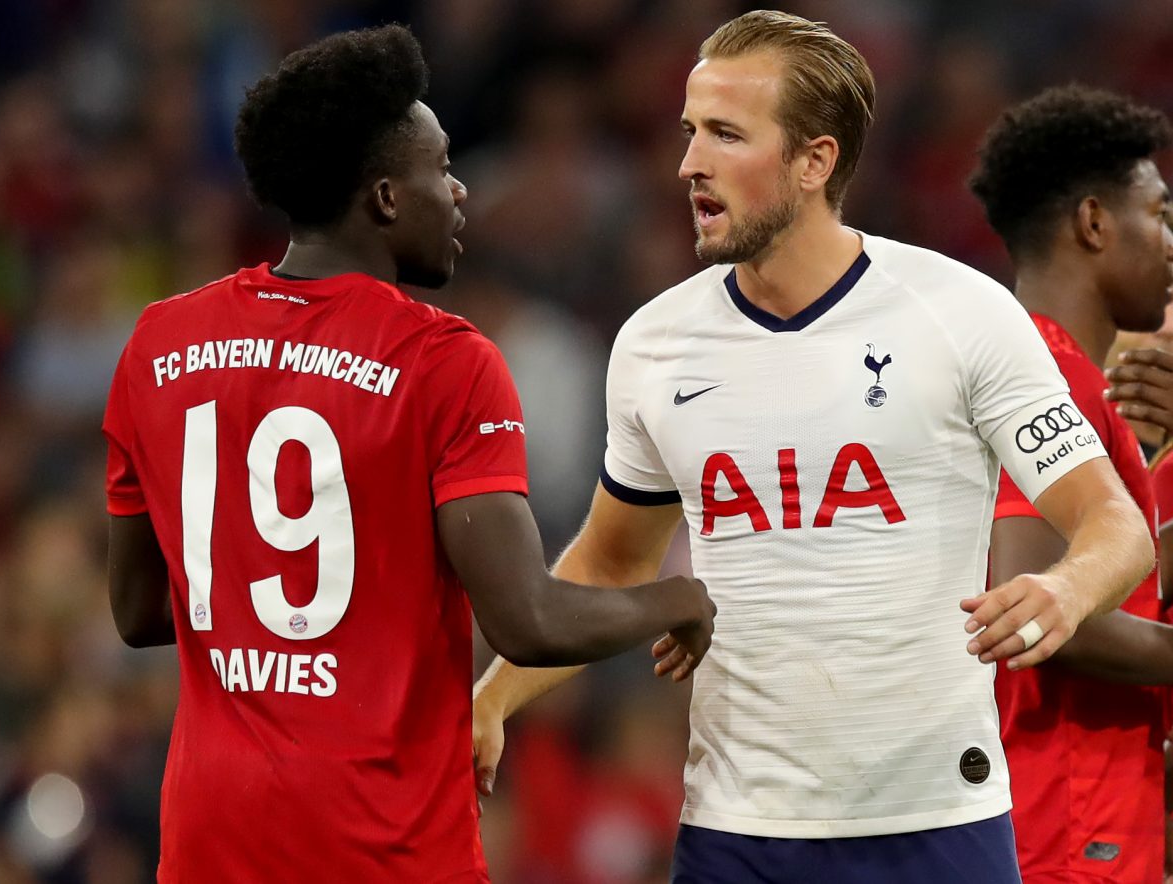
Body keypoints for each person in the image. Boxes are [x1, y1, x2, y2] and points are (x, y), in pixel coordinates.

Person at [472, 11, 1154, 884]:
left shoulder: (963, 312)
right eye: (689, 133)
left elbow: (1116, 526)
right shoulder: (655, 344)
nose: (688, 163)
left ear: (814, 161)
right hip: (733, 834)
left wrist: (1065, 588)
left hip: (937, 826)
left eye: (725, 134)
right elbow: (610, 562)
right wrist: (494, 698)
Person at [101, 26, 715, 884]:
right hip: (381, 844)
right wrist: (680, 598)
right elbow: (528, 622)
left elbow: (137, 614)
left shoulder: (159, 344)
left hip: (211, 838)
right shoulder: (442, 361)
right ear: (386, 198)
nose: (461, 191)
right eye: (441, 167)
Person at [968, 84, 1173, 884]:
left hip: (1077, 809)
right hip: (1066, 820)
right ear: (1093, 223)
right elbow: (1039, 608)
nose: (1171, 241)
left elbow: (1137, 585)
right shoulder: (1047, 377)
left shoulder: (1056, 373)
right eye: (1159, 214)